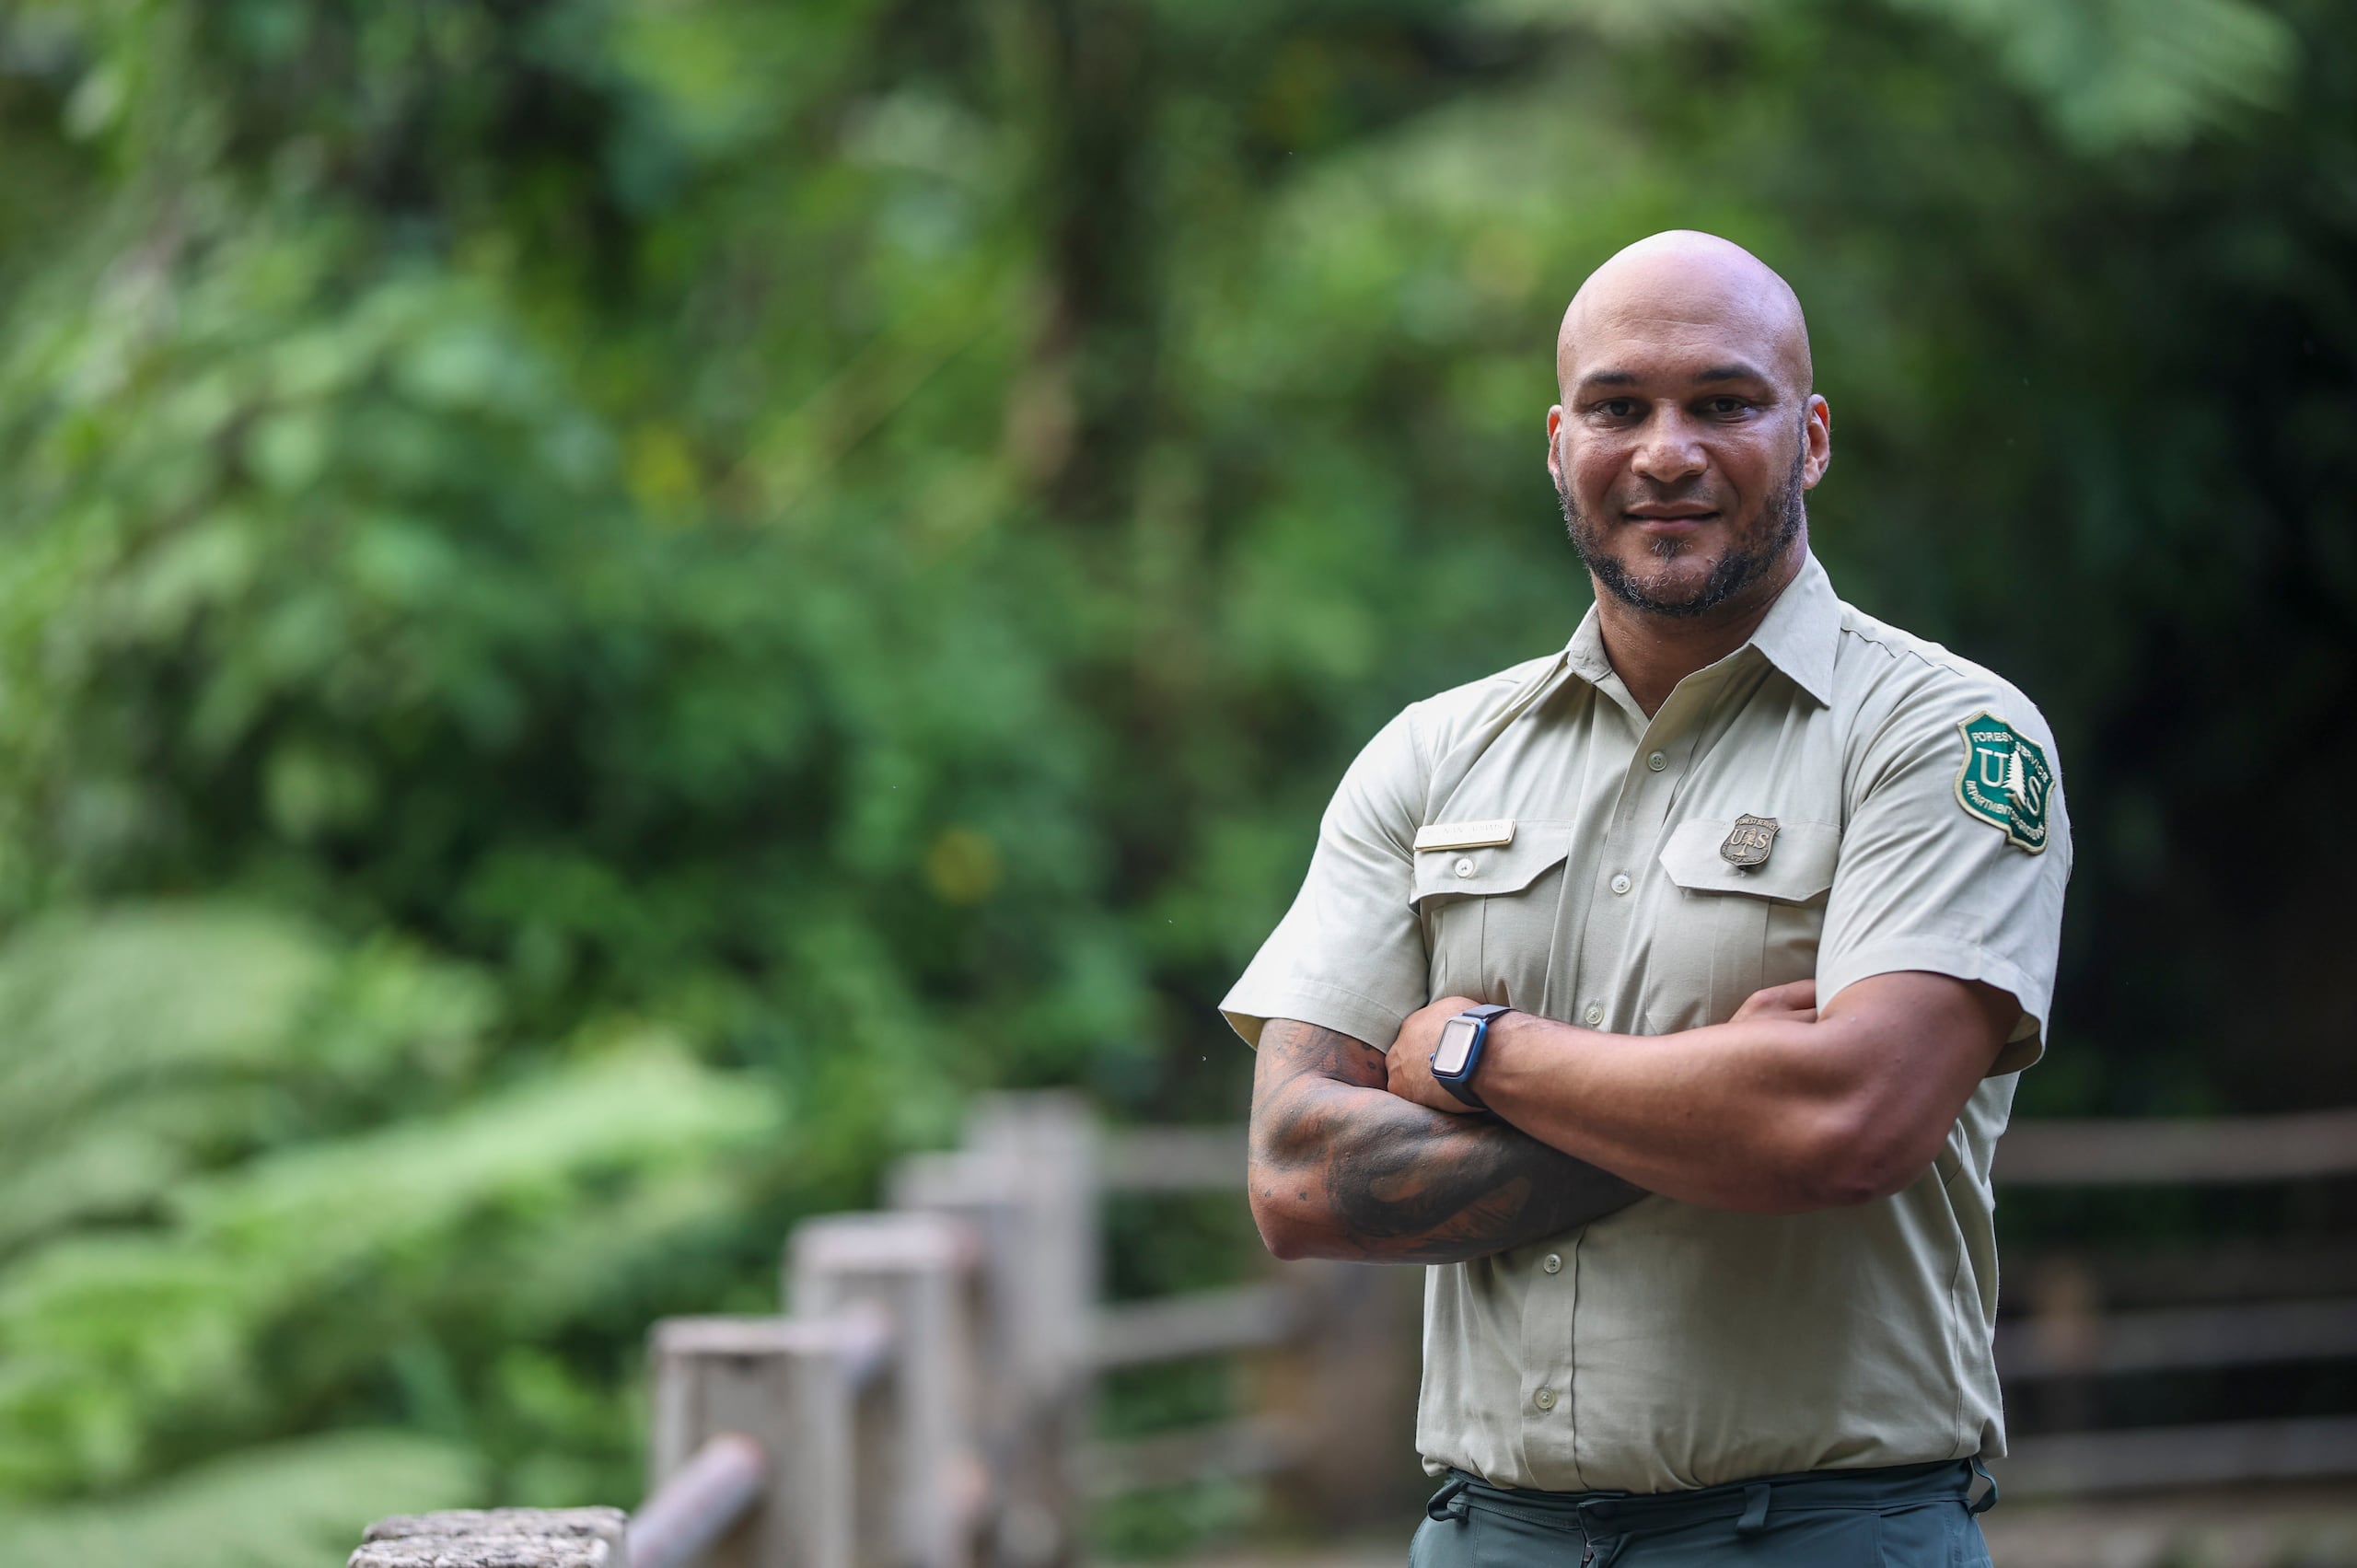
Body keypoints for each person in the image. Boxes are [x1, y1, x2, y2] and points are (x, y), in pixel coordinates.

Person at [1224, 231, 2071, 1566]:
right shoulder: (1432, 755)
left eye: (1724, 403)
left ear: (1813, 436)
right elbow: (1300, 1177)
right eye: (1619, 408)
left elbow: (1847, 1125)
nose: (1665, 451)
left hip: (1822, 1534)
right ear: (1561, 442)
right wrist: (1717, 1102)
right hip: (1487, 1535)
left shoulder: (1939, 736)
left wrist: (1475, 1048)